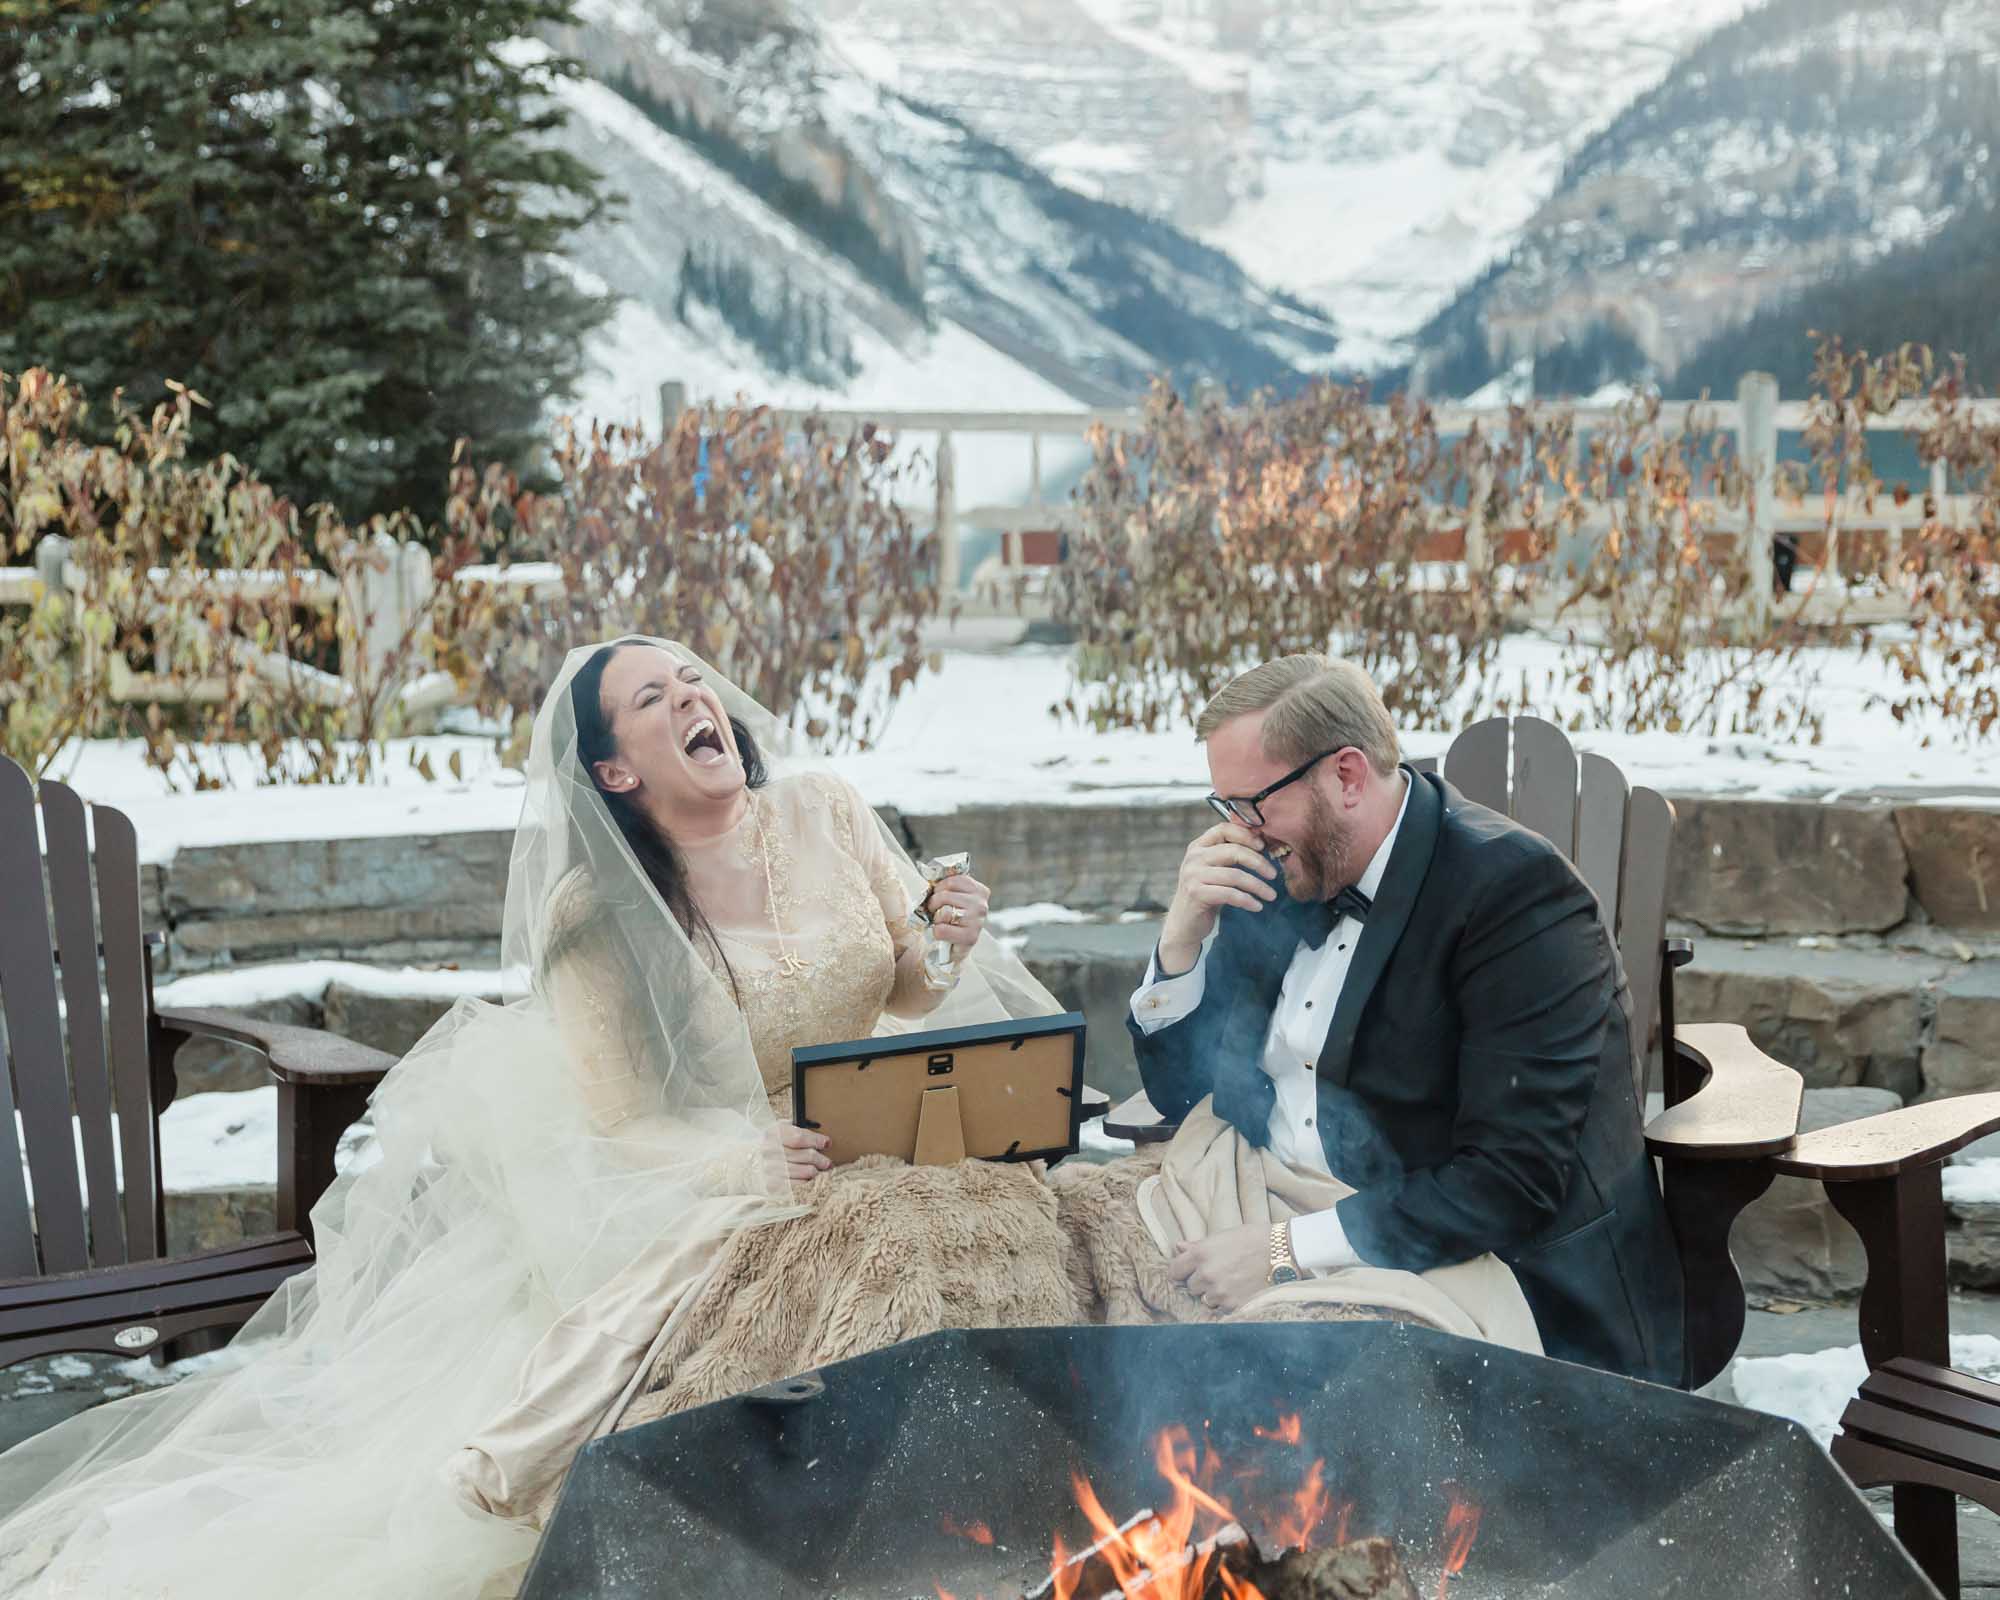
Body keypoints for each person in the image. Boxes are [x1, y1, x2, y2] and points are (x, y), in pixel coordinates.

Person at [0, 638, 1073, 1598]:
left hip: (865, 1135)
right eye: (654, 698)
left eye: (692, 677)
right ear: (614, 769)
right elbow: (619, 1125)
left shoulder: (827, 808)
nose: (693, 696)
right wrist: (740, 1160)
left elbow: (907, 986)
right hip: (720, 1171)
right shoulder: (597, 913)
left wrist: (949, 936)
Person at [1124, 654, 1683, 1383]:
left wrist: (1280, 1251)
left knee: (1260, 1396)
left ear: (1347, 776)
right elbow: (1181, 1089)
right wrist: (1181, 943)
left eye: (1252, 804)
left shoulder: (1516, 900)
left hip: (1454, 1260)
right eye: (1224, 807)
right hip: (1248, 1194)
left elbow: (1507, 1183)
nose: (1241, 831)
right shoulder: (1284, 869)